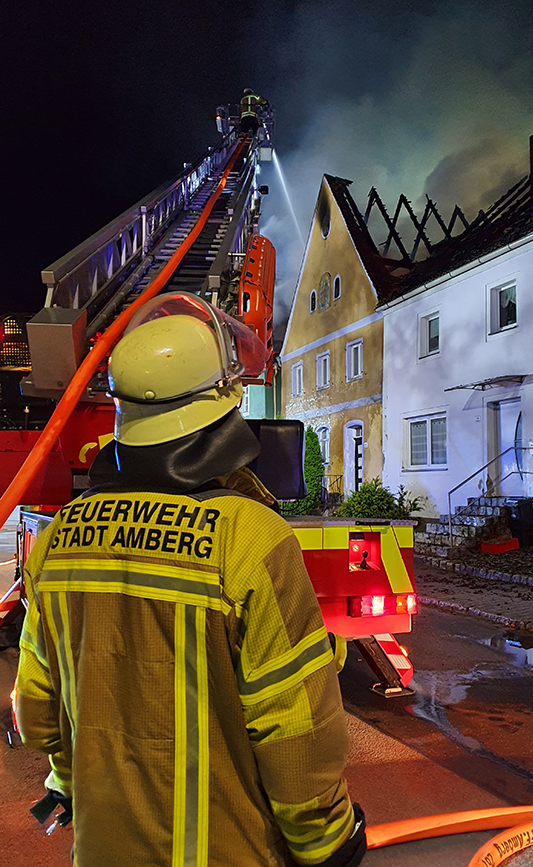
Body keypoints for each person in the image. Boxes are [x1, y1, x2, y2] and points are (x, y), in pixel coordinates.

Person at [15, 293, 366, 867]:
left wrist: (70, 779)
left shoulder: (58, 540)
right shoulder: (249, 537)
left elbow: (36, 713)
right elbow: (295, 737)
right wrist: (326, 844)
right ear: (223, 409)